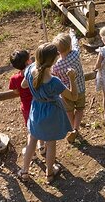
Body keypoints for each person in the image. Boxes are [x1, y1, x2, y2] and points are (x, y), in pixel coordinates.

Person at [19, 43, 78, 184]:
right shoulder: (54, 82)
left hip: (36, 110)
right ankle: (49, 173)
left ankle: (24, 172)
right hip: (51, 113)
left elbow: (23, 85)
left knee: (31, 141)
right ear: (54, 60)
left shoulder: (29, 70)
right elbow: (73, 97)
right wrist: (72, 79)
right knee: (51, 144)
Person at [8, 50, 45, 156]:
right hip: (39, 104)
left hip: (27, 107)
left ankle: (31, 150)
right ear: (28, 61)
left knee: (31, 129)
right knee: (41, 126)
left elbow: (15, 91)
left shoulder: (14, 78)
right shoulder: (36, 73)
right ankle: (41, 146)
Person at [51, 30, 85, 143]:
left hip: (66, 92)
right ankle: (76, 128)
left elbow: (53, 75)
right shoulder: (75, 54)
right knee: (80, 108)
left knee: (69, 110)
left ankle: (71, 127)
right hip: (80, 88)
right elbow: (75, 44)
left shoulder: (56, 66)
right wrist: (72, 34)